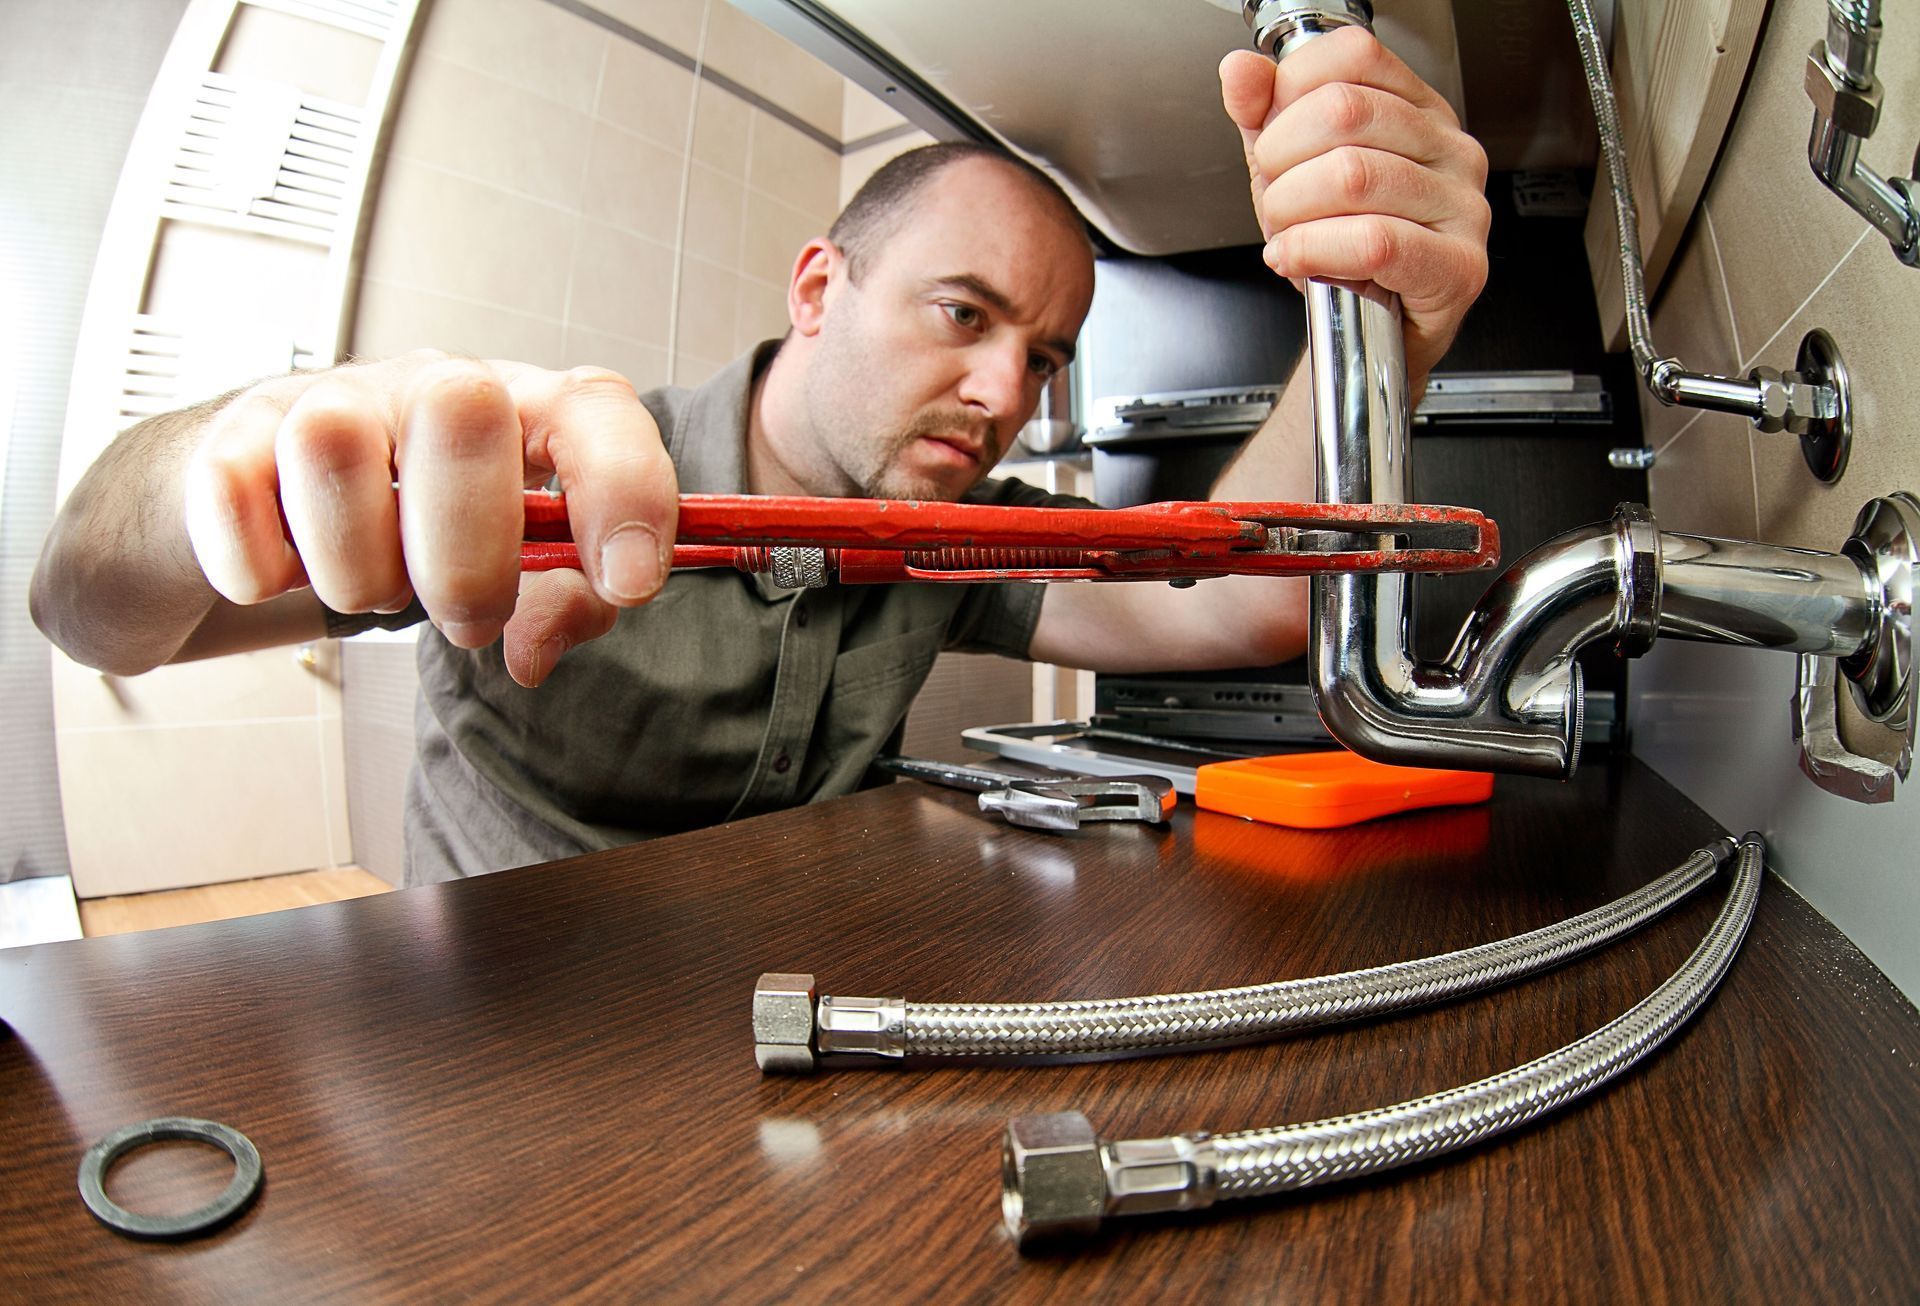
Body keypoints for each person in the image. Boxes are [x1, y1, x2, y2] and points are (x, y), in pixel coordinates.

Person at [31, 30, 1490, 884]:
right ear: (815, 291)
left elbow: (1236, 599)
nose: (1004, 390)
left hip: (791, 1041)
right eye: (963, 314)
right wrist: (213, 474)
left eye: (1042, 355)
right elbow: (95, 617)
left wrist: (1384, 325)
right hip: (491, 1051)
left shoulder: (956, 536)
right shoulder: (545, 485)